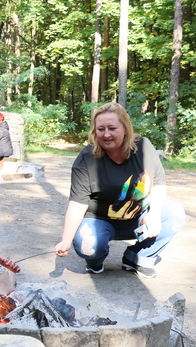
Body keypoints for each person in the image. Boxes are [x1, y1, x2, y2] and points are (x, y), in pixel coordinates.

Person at [54, 102, 185, 279]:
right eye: (100, 129)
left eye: (112, 128)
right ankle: (95, 260)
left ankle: (138, 257)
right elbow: (77, 204)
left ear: (125, 129)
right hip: (99, 221)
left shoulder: (144, 148)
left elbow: (159, 185)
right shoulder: (87, 159)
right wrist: (66, 239)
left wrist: (153, 214)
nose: (106, 134)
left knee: (174, 213)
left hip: (138, 217)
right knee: (88, 246)